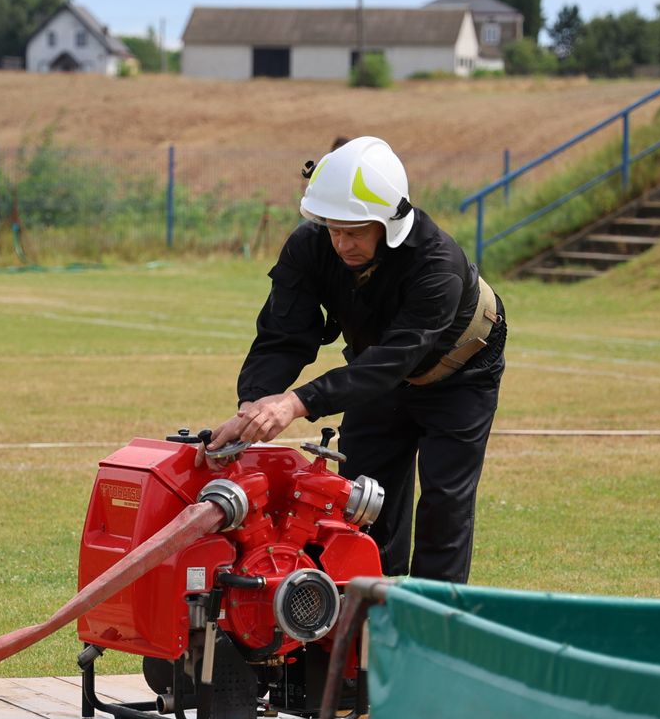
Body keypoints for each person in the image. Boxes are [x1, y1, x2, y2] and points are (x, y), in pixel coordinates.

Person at [209, 136, 506, 583]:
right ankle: (362, 620)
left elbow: (394, 359)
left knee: (445, 505)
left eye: (356, 231)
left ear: (390, 223)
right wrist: (254, 403)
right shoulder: (309, 247)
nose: (342, 243)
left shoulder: (437, 264)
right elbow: (283, 335)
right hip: (374, 372)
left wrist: (295, 403)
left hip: (460, 375)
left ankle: (429, 628)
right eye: (333, 228)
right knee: (363, 501)